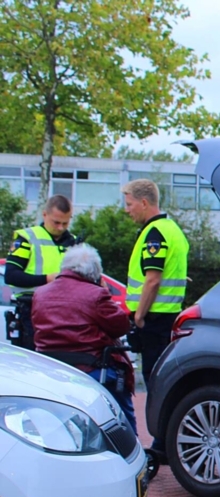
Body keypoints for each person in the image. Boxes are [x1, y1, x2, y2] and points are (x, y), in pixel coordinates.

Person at [31, 244, 137, 433]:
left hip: (50, 369)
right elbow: (121, 325)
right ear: (95, 274)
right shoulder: (96, 295)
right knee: (122, 404)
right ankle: (131, 443)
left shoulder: (40, 294)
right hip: (91, 368)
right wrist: (105, 291)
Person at [121, 179, 189, 459]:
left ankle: (161, 445)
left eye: (129, 204)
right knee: (162, 380)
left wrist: (138, 316)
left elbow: (152, 280)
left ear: (145, 202)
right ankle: (167, 442)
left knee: (154, 381)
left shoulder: (154, 233)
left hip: (154, 320)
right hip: (167, 317)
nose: (127, 210)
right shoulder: (173, 230)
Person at [4, 195, 77, 349]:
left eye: (65, 222)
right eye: (56, 222)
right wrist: (46, 279)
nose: (61, 227)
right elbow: (11, 275)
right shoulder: (27, 238)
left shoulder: (75, 242)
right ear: (45, 215)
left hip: (67, 312)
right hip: (32, 311)